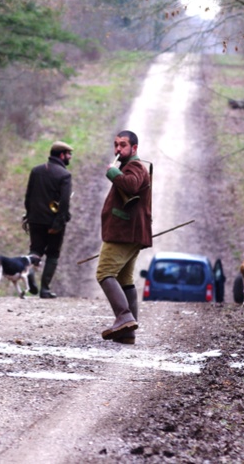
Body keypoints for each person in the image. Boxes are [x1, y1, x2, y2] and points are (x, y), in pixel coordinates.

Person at [96, 130, 152, 344]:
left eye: (123, 145)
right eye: (116, 145)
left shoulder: (135, 167)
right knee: (124, 279)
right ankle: (128, 332)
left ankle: (124, 317)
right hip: (130, 233)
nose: (118, 149)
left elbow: (131, 185)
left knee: (104, 272)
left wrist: (112, 173)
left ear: (134, 148)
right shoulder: (129, 166)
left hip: (123, 233)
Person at [24, 141, 73, 298]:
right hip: (53, 222)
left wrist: (29, 215)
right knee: (52, 254)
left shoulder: (36, 171)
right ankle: (44, 289)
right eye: (68, 154)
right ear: (61, 155)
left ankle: (29, 271)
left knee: (36, 250)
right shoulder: (64, 175)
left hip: (35, 220)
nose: (70, 157)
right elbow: (64, 202)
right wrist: (59, 223)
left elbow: (28, 197)